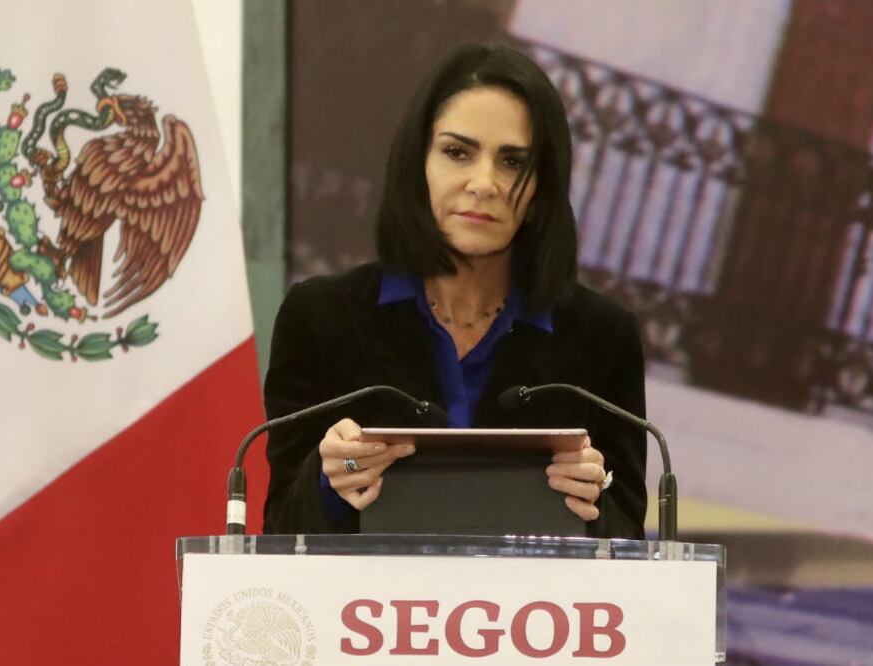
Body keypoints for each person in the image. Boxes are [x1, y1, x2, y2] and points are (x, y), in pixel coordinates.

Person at [263, 43, 646, 539]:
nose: (482, 183)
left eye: (512, 162)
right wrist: (327, 480)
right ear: (417, 164)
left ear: (539, 194)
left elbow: (628, 547)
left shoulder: (601, 335)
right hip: (366, 613)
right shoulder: (320, 316)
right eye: (457, 152)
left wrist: (592, 501)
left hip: (533, 613)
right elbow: (279, 533)